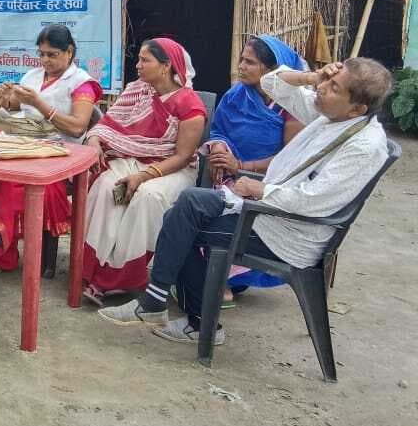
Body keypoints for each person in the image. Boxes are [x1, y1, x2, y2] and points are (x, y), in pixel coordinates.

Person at [99, 59, 393, 346]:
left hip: (288, 231)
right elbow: (271, 82)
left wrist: (261, 189)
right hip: (268, 212)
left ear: (358, 108)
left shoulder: (364, 146)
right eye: (327, 81)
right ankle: (166, 304)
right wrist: (313, 78)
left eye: (334, 87)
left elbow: (314, 201)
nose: (323, 89)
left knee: (182, 221)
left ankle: (189, 318)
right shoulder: (333, 115)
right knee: (186, 206)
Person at [0, 25, 101, 277]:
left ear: (69, 52)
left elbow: (77, 128)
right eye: (41, 54)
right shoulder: (32, 76)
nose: (45, 60)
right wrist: (7, 101)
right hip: (23, 145)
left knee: (10, 180)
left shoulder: (82, 84)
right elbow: (16, 112)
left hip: (59, 155)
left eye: (52, 54)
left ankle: (1, 238)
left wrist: (39, 104)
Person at [80, 38, 206, 304]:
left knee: (146, 197)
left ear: (165, 66)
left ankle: (122, 278)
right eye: (138, 59)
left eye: (144, 60)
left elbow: (183, 157)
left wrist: (142, 177)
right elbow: (106, 126)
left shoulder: (190, 105)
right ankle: (92, 269)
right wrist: (93, 141)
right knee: (105, 186)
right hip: (132, 158)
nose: (137, 65)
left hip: (171, 169)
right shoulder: (136, 91)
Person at [206, 35, 306, 295]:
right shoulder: (236, 95)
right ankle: (210, 277)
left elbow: (290, 159)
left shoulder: (292, 106)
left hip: (270, 184)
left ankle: (228, 281)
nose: (241, 66)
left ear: (272, 70)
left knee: (222, 213)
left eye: (250, 62)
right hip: (231, 176)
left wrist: (240, 164)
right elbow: (219, 130)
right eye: (241, 59)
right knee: (200, 206)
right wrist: (218, 148)